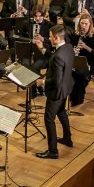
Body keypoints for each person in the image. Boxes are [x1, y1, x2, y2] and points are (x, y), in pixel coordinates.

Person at [36, 25, 74, 159]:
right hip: (66, 88)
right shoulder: (68, 48)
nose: (49, 38)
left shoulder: (58, 56)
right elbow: (54, 57)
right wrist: (42, 48)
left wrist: (43, 82)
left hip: (57, 91)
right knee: (61, 111)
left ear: (56, 38)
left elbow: (56, 81)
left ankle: (53, 151)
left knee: (49, 119)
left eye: (51, 36)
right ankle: (67, 138)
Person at [70, 13, 94, 106]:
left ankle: (78, 97)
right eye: (82, 23)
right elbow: (70, 46)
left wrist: (86, 47)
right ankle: (73, 95)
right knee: (72, 72)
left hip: (90, 63)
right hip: (76, 61)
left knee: (80, 75)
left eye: (86, 24)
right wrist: (73, 50)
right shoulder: (75, 34)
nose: (83, 26)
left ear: (90, 24)